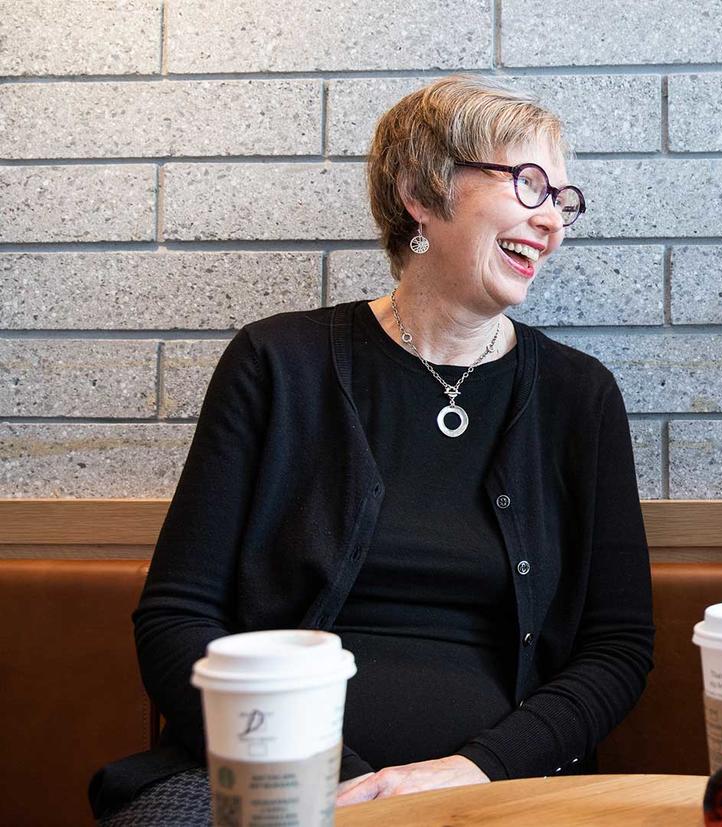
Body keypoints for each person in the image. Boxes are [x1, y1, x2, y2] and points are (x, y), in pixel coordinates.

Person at [90, 76, 654, 823]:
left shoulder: (580, 397)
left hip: (501, 791)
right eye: (527, 184)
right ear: (420, 192)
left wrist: (472, 771)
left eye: (560, 198)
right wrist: (322, 777)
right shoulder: (275, 363)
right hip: (264, 775)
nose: (550, 220)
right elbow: (175, 619)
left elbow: (618, 647)